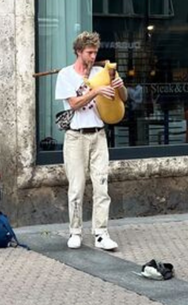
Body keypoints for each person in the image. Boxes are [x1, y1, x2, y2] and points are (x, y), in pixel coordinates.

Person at [54, 31, 127, 251]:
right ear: (78, 51)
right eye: (89, 52)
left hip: (99, 134)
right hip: (76, 136)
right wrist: (95, 91)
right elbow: (75, 103)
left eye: (95, 52)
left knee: (101, 185)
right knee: (76, 187)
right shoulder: (66, 75)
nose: (93, 56)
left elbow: (123, 98)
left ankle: (101, 233)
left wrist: (119, 85)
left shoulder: (101, 72)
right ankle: (75, 231)